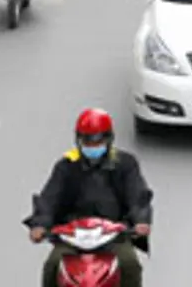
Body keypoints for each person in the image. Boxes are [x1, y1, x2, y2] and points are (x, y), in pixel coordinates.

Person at [25, 109, 152, 287]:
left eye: (98, 140)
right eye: (87, 140)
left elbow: (137, 195)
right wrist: (39, 225)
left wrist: (140, 221)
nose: (92, 146)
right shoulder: (66, 166)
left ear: (109, 139)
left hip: (113, 234)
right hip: (73, 235)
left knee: (130, 263)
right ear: (78, 140)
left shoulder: (125, 164)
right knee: (52, 265)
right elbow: (49, 198)